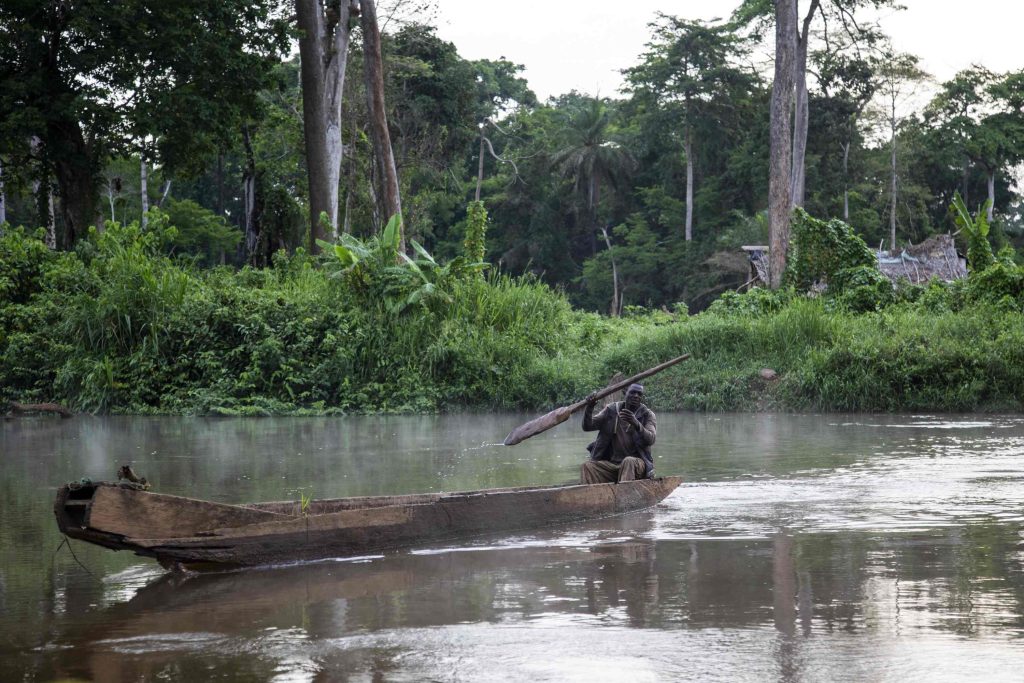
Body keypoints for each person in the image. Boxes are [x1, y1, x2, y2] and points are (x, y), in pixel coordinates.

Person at [580, 383, 657, 484]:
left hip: (637, 464)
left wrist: (636, 424)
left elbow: (651, 439)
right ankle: (589, 496)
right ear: (625, 392)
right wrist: (589, 407)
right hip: (612, 465)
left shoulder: (647, 414)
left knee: (628, 461)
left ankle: (625, 496)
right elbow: (587, 426)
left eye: (639, 394)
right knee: (588, 466)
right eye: (633, 392)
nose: (636, 396)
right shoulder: (611, 410)